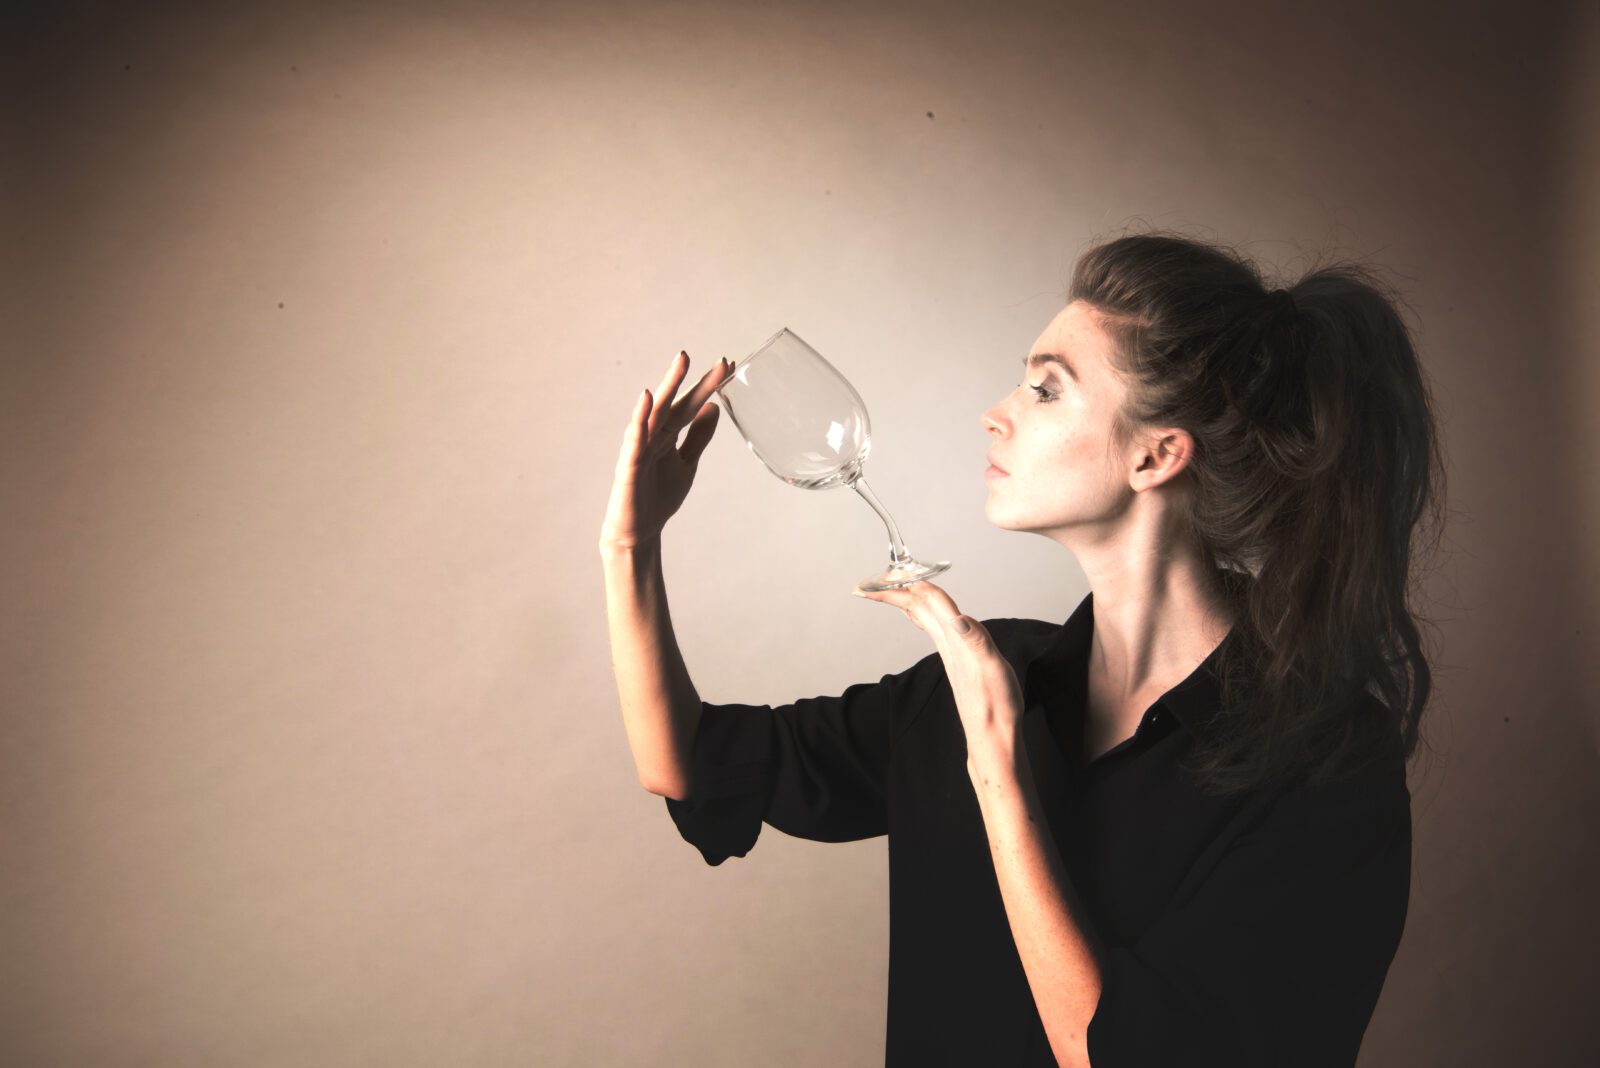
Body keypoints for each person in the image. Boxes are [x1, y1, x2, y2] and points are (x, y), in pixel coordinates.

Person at [598, 230, 1446, 1068]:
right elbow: (690, 766)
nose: (996, 412)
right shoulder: (980, 678)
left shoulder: (1324, 765)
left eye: (1045, 390)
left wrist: (998, 774)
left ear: (1157, 454)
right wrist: (631, 549)